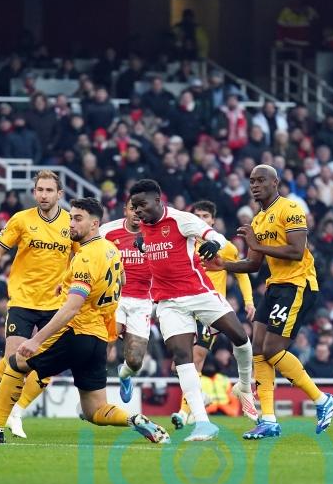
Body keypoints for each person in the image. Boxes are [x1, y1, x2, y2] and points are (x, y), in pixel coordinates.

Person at [0, 198, 168, 445]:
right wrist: (67, 284)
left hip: (76, 333)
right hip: (98, 339)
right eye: (71, 218)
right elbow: (123, 281)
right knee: (95, 410)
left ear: (95, 224)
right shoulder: (111, 250)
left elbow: (72, 307)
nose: (71, 224)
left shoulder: (85, 257)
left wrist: (37, 339)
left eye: (77, 219)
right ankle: (133, 419)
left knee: (15, 364)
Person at [206, 165, 333, 439]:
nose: (254, 185)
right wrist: (224, 266)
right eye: (251, 181)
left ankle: (322, 399)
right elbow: (254, 264)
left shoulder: (290, 209)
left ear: (275, 182)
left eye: (260, 180)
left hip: (299, 284)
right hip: (276, 286)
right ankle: (268, 420)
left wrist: (255, 243)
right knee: (258, 351)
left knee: (274, 349)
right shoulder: (258, 220)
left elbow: (297, 251)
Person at [129, 179, 256, 442]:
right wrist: (142, 242)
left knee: (240, 338)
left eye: (142, 205)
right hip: (167, 302)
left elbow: (214, 235)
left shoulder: (180, 220)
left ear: (157, 200)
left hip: (199, 293)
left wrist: (214, 245)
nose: (137, 211)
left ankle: (244, 385)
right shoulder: (144, 226)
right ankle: (203, 423)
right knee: (182, 358)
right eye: (134, 207)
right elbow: (147, 241)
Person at [0, 170, 75, 439]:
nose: (43, 195)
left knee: (49, 364)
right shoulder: (21, 220)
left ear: (60, 195)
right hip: (23, 300)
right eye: (39, 190)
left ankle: (17, 409)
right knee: (13, 361)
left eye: (49, 190)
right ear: (34, 192)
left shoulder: (71, 224)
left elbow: (83, 258)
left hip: (56, 304)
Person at [170, 200, 256, 429]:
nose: (201, 219)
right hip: (184, 307)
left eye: (205, 216)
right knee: (179, 363)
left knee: (196, 357)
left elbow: (241, 272)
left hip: (210, 311)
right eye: (197, 215)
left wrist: (248, 301)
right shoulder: (184, 243)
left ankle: (184, 411)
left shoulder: (224, 246)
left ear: (213, 221)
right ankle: (201, 398)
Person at [98, 200, 152, 403]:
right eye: (133, 209)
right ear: (125, 211)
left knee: (135, 361)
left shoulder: (154, 233)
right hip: (116, 297)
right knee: (105, 344)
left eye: (141, 209)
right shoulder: (108, 232)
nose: (137, 213)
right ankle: (94, 394)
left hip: (142, 302)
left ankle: (125, 374)